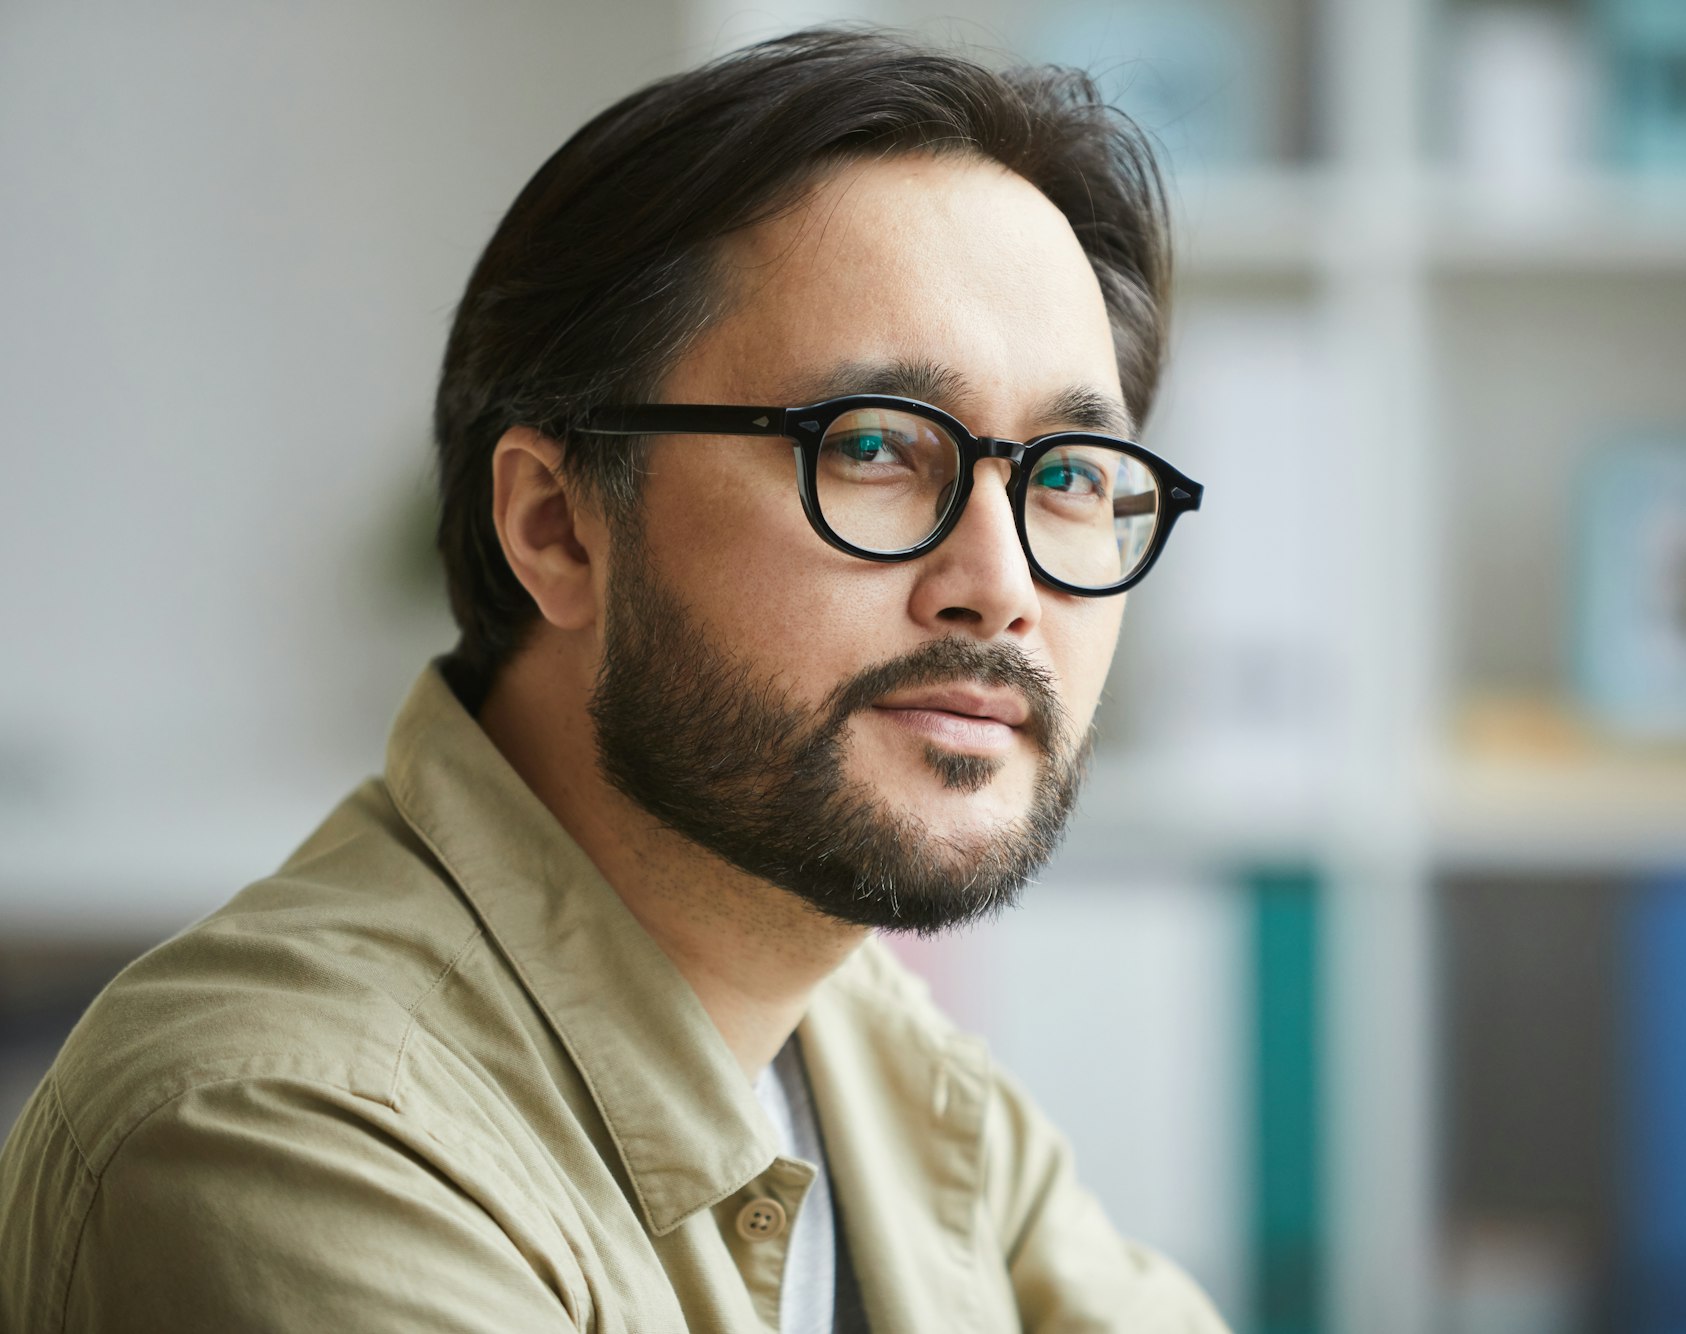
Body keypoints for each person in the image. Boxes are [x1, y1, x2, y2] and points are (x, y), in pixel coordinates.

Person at [0, 26, 1218, 1333]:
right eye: (871, 445)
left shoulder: (891, 1074)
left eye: (1073, 476)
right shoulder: (276, 1132)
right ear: (556, 526)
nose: (1004, 581)